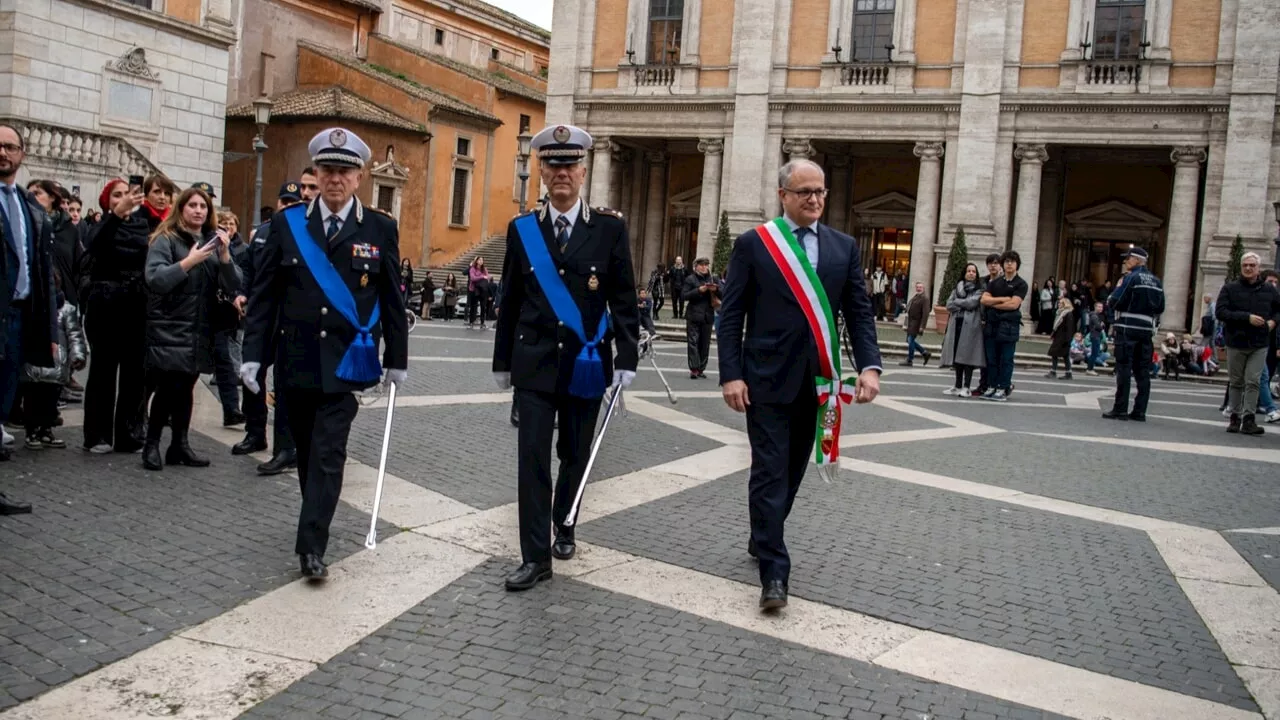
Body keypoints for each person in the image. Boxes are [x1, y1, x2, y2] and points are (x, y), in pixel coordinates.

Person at [241, 127, 409, 579]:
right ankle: (313, 522)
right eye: (328, 170)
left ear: (359, 178)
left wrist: (397, 357)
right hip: (295, 360)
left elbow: (393, 298)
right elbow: (265, 296)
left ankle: (311, 547)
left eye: (345, 171)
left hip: (344, 363)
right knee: (308, 455)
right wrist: (254, 354)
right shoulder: (288, 224)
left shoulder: (379, 228)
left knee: (329, 454)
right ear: (316, 172)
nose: (335, 180)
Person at [718, 158, 882, 612]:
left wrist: (870, 367)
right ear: (783, 195)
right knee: (769, 472)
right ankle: (775, 574)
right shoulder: (755, 244)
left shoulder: (842, 247)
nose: (815, 200)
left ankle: (762, 532)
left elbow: (859, 312)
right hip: (765, 380)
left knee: (790, 474)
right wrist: (730, 373)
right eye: (805, 192)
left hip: (819, 382)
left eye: (821, 192)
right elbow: (731, 315)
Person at [492, 124, 640, 592]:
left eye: (570, 165)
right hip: (534, 362)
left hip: (586, 362)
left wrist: (627, 359)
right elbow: (510, 301)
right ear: (540, 171)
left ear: (583, 172)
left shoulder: (609, 229)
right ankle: (534, 557)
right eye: (553, 165)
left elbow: (623, 300)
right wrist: (502, 363)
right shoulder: (522, 231)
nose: (562, 174)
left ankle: (566, 520)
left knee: (574, 454)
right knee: (532, 459)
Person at [141, 187, 241, 471]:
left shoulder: (212, 242)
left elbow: (233, 285)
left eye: (203, 207)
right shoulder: (166, 239)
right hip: (171, 326)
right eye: (192, 205)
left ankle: (179, 445)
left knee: (187, 387)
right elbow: (156, 278)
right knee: (168, 387)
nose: (198, 210)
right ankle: (151, 444)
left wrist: (224, 258)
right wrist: (189, 262)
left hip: (200, 327)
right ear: (181, 209)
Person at [82, 177, 160, 453]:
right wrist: (115, 215)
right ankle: (97, 435)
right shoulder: (101, 224)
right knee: (103, 370)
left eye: (128, 194)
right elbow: (94, 245)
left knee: (134, 373)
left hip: (136, 302)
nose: (124, 198)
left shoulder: (143, 225)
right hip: (105, 301)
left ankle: (129, 433)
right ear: (107, 201)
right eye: (117, 195)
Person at [232, 182, 302, 475]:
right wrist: (242, 291)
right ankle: (255, 431)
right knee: (252, 376)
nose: (286, 206)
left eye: (292, 202)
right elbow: (250, 268)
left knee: (284, 384)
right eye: (283, 201)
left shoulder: (303, 234)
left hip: (287, 318)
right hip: (261, 314)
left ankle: (285, 448)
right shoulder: (262, 232)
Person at [0, 125, 58, 474]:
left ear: (22, 153)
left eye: (10, 147)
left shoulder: (28, 207)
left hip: (21, 317)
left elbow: (42, 273)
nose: (3, 153)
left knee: (5, 399)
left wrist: (49, 331)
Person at [1214, 252, 1280, 435]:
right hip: (1236, 341)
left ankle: (1248, 419)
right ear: (1242, 267)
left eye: (1252, 265)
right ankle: (1234, 417)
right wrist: (1246, 318)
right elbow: (1220, 312)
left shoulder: (1269, 290)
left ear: (1258, 268)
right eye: (1245, 265)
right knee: (1236, 381)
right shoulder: (1230, 288)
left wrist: (1273, 322)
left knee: (1253, 381)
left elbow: (1278, 310)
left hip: (1259, 343)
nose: (1249, 268)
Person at [1102, 247, 1164, 422]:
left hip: (1127, 328)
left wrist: (1111, 301)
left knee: (1124, 368)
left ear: (1137, 260)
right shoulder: (1156, 281)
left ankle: (1120, 409)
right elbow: (1161, 307)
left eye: (1128, 258)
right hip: (1146, 331)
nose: (1125, 261)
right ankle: (1139, 411)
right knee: (1143, 372)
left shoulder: (1130, 278)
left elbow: (1116, 300)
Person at [210, 209, 247, 427]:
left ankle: (232, 409)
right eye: (223, 223)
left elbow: (239, 278)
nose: (228, 228)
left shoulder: (241, 249)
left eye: (231, 224)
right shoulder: (207, 243)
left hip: (226, 313)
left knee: (225, 361)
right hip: (206, 309)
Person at [979, 251, 1028, 402]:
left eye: (1012, 261)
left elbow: (1014, 304)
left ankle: (1003, 387)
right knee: (991, 358)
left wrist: (995, 303)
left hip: (1009, 326)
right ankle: (992, 386)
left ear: (1017, 264)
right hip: (992, 325)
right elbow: (984, 300)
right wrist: (1003, 299)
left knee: (1006, 359)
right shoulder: (995, 283)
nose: (1009, 264)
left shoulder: (1021, 284)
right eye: (1006, 261)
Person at [940, 263, 984, 397]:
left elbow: (972, 303)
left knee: (967, 357)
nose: (971, 273)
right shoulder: (957, 288)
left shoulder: (979, 289)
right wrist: (963, 303)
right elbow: (948, 304)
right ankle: (957, 385)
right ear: (964, 273)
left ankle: (967, 386)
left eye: (974, 271)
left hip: (971, 326)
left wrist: (958, 302)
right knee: (957, 357)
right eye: (969, 271)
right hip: (956, 324)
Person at [682, 257, 718, 379]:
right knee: (693, 342)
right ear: (696, 266)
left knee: (705, 344)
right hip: (693, 315)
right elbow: (684, 296)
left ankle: (701, 368)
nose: (704, 267)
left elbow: (724, 294)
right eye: (701, 265)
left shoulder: (713, 278)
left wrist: (716, 289)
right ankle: (694, 369)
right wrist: (698, 290)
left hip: (708, 316)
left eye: (706, 265)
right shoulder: (690, 279)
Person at [973, 254, 1003, 396]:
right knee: (984, 357)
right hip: (983, 322)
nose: (993, 265)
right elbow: (979, 300)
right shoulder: (982, 281)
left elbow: (1005, 301)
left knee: (997, 357)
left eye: (996, 263)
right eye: (990, 263)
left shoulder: (1004, 282)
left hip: (999, 322)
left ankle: (998, 384)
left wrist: (989, 301)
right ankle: (984, 384)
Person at [899, 281, 932, 366]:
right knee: (910, 340)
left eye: (920, 287)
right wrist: (905, 307)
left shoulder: (925, 299)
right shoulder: (915, 297)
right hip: (911, 322)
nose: (918, 288)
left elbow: (926, 313)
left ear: (923, 288)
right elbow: (911, 308)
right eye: (917, 287)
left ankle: (910, 359)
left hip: (917, 323)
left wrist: (922, 326)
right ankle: (925, 353)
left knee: (910, 340)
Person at [1045, 296, 1075, 380]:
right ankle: (1068, 373)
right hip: (1059, 337)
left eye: (1061, 303)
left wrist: (1068, 340)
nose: (1059, 304)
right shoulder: (1060, 313)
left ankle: (1054, 371)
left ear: (1065, 304)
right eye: (1058, 303)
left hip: (1063, 338)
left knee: (1055, 353)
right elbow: (1057, 326)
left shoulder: (1067, 314)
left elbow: (1069, 328)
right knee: (1063, 355)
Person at [467, 257, 491, 329]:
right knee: (473, 306)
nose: (481, 261)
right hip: (474, 290)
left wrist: (485, 277)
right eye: (479, 260)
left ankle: (482, 323)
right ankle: (471, 322)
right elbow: (473, 278)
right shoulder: (472, 269)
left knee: (483, 307)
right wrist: (482, 277)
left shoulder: (484, 269)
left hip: (483, 290)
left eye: (482, 260)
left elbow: (488, 277)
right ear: (476, 261)